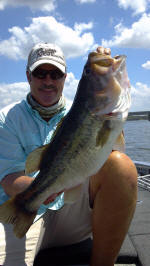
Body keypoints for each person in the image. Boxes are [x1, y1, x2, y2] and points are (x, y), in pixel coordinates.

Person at [0, 42, 137, 266]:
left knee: (121, 165)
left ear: (65, 77)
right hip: (28, 214)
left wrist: (97, 66)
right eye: (40, 73)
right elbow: (8, 179)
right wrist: (42, 192)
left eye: (55, 74)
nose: (48, 81)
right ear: (28, 76)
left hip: (72, 213)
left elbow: (108, 155)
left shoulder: (80, 109)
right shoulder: (6, 119)